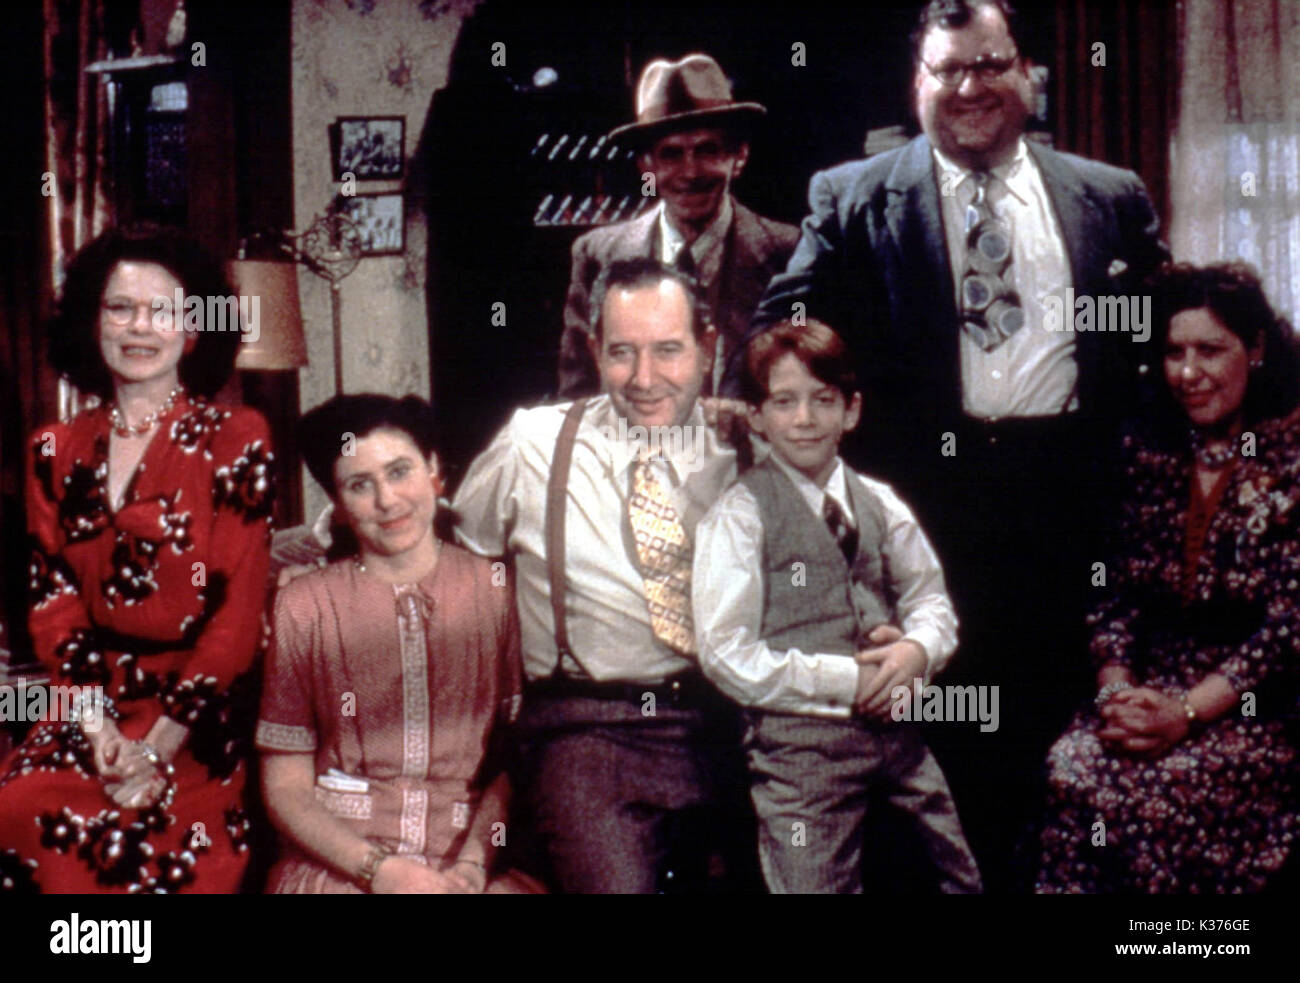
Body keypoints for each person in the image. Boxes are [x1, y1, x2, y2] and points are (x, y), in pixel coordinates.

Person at [742, 0, 1170, 890]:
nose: (970, 87)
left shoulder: (1109, 195)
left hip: (1067, 510)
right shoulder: (853, 195)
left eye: (990, 65)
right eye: (948, 70)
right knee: (936, 751)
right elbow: (781, 324)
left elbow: (1160, 344)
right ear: (918, 83)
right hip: (923, 514)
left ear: (1027, 76)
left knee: (1054, 743)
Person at [454, 257, 754, 893]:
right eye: (622, 353)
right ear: (593, 350)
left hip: (729, 723)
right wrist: (324, 547)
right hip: (585, 730)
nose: (644, 379)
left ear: (708, 347)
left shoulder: (748, 450)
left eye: (668, 351)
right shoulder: (533, 443)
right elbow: (450, 544)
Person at [0, 225, 273, 894]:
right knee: (17, 807)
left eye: (164, 309)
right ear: (93, 322)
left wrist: (156, 749)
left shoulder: (238, 437)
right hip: (91, 702)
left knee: (147, 840)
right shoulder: (52, 448)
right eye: (120, 307)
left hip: (196, 712)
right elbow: (53, 606)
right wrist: (98, 733)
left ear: (194, 327)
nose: (140, 326)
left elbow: (237, 621)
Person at [1035, 262, 1299, 893]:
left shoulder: (1292, 454)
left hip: (1257, 703)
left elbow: (1291, 627)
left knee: (1159, 792)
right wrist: (1119, 690)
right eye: (1174, 352)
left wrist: (1187, 711)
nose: (1188, 373)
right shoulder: (1144, 447)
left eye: (1210, 350)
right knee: (1072, 768)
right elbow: (1111, 589)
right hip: (1148, 689)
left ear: (1255, 349)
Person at [694, 319, 982, 894]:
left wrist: (915, 651)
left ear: (851, 410)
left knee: (957, 877)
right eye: (784, 402)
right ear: (756, 417)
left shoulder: (878, 500)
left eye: (823, 401)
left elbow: (930, 598)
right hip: (800, 758)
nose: (804, 419)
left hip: (898, 742)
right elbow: (726, 652)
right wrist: (847, 681)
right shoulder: (741, 514)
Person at [255, 394, 540, 894]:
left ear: (434, 471)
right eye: (360, 486)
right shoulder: (303, 605)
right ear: (339, 506)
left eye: (400, 471)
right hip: (342, 867)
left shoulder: (498, 590)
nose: (387, 501)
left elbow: (514, 762)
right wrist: (380, 871)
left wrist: (472, 866)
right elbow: (286, 789)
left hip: (468, 867)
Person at [558, 53, 798, 399]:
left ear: (739, 157)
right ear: (646, 166)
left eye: (707, 150)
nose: (691, 172)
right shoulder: (596, 257)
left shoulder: (787, 254)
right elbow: (579, 398)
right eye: (671, 154)